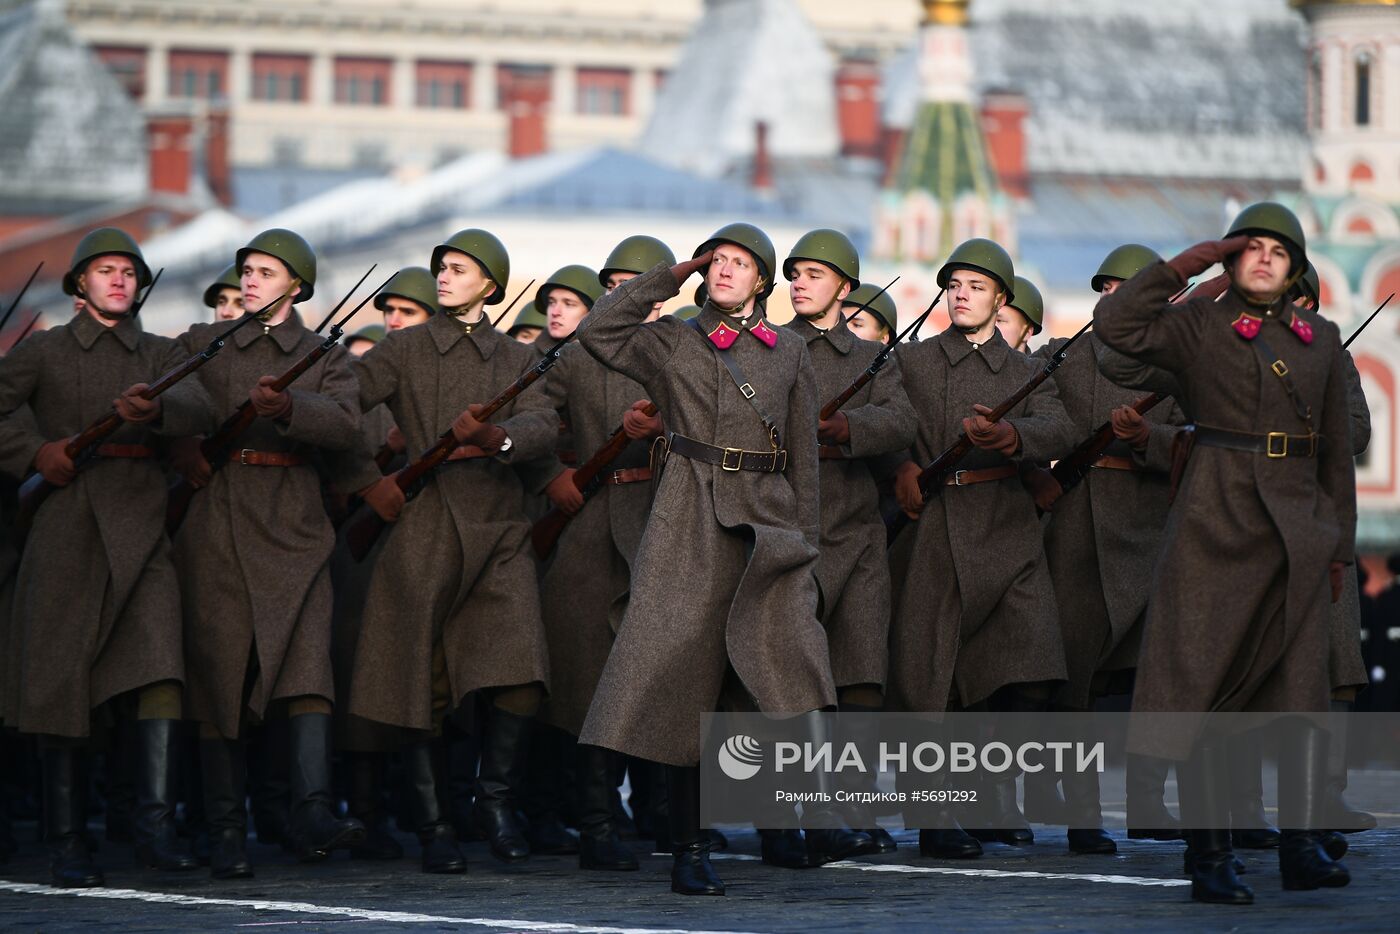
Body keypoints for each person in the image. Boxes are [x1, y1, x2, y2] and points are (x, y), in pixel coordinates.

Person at [575, 223, 866, 896]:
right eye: (718, 261)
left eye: (740, 262)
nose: (726, 270)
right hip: (689, 520)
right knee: (687, 686)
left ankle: (811, 817)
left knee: (792, 667)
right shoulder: (673, 336)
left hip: (767, 523)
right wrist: (672, 274)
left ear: (763, 279)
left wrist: (807, 544)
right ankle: (689, 847)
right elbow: (599, 332)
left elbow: (804, 455)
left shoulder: (788, 350)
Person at [1094, 202, 1355, 904]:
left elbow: (1336, 457)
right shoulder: (1200, 327)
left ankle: (1302, 847)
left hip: (1296, 532)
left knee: (1302, 695)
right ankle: (1210, 858)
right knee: (1206, 694)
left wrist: (1339, 550)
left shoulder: (1321, 340)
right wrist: (1192, 260)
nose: (1263, 258)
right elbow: (1115, 329)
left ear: (1296, 266)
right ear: (1232, 259)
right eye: (1250, 247)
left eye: (1278, 249)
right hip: (1215, 525)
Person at [0, 228, 210, 885]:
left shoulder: (160, 350)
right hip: (66, 524)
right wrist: (37, 453)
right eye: (104, 271)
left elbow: (199, 403)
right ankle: (67, 842)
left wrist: (155, 409)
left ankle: (154, 832)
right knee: (60, 685)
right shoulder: (44, 351)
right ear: (79, 285)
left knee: (160, 675)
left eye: (128, 271)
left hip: (141, 525)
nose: (118, 280)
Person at [347, 229, 557, 873]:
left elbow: (544, 423)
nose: (443, 277)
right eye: (441, 267)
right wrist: (367, 479)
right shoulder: (404, 348)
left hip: (497, 523)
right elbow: (340, 405)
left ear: (490, 284)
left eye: (459, 269)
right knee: (422, 684)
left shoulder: (515, 358)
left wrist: (500, 437)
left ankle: (492, 801)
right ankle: (436, 825)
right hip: (426, 522)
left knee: (523, 670)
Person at [170, 228, 366, 879]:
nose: (249, 280)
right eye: (246, 270)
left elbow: (346, 424)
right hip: (220, 522)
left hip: (296, 522)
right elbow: (167, 396)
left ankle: (312, 810)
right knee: (221, 676)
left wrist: (290, 406)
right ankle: (225, 828)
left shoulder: (322, 353)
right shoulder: (204, 342)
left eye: (265, 271)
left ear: (297, 286)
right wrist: (178, 442)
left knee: (308, 670)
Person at [886, 239, 1075, 858]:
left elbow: (1060, 426)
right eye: (955, 284)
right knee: (932, 680)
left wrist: (1013, 434)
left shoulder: (1025, 371)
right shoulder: (912, 361)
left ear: (1001, 299)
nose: (962, 294)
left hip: (1006, 526)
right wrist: (902, 466)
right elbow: (884, 419)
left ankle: (991, 794)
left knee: (1032, 666)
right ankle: (939, 816)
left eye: (976, 285)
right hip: (936, 526)